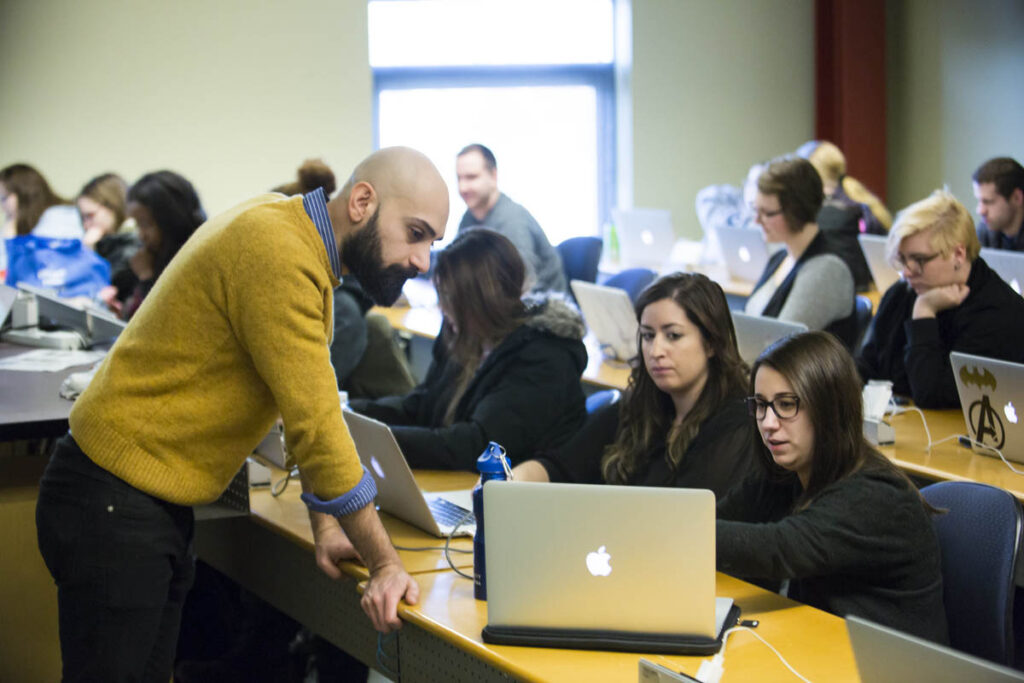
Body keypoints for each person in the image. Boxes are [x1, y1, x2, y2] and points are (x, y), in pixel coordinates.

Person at [35, 146, 450, 682]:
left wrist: (327, 524)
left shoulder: (292, 241)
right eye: (415, 233)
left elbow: (294, 406)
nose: (422, 260)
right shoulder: (280, 252)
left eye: (432, 243)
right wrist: (385, 564)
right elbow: (320, 428)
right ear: (363, 202)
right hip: (114, 500)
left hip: (136, 500)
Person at [718, 331, 949, 644]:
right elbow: (720, 517)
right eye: (760, 405)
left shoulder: (877, 494)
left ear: (829, 408)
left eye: (786, 405)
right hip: (825, 650)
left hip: (889, 669)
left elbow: (779, 549)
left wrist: (676, 529)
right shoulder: (787, 473)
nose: (768, 422)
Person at [349, 228, 587, 470]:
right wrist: (351, 412)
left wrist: (376, 440)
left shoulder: (544, 356)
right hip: (466, 484)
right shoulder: (465, 333)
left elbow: (477, 446)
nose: (442, 307)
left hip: (523, 497)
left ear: (482, 301)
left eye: (449, 297)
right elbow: (422, 405)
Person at [513, 272, 760, 496]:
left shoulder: (737, 424)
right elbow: (560, 466)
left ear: (711, 343)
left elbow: (688, 523)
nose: (655, 350)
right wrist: (509, 484)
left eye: (673, 336)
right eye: (648, 335)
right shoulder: (640, 404)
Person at [856, 190, 1024, 408]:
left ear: (958, 254)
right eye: (903, 259)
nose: (907, 272)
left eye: (919, 259)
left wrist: (924, 313)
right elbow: (867, 365)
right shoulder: (903, 292)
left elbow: (932, 394)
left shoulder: (999, 313)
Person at [744, 156, 857, 346]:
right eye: (756, 210)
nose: (757, 221)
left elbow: (781, 347)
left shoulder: (827, 270)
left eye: (768, 213)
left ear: (796, 210)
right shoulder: (780, 258)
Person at [455, 143, 567, 294]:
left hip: (542, 310)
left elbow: (521, 287)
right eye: (459, 178)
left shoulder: (512, 221)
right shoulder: (469, 218)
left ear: (493, 176)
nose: (462, 187)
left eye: (471, 177)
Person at [120, 170, 206, 319]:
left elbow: (164, 321)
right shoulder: (152, 255)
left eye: (146, 224)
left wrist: (146, 277)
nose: (141, 235)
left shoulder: (195, 260)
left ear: (171, 220)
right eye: (138, 225)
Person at [0, 163, 83, 271]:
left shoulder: (60, 216)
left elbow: (24, 268)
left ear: (25, 193)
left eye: (4, 198)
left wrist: (10, 238)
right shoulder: (19, 224)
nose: (2, 207)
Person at [77, 173, 141, 307]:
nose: (85, 225)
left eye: (90, 216)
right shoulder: (109, 243)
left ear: (113, 207)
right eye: (82, 218)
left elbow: (98, 287)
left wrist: (87, 252)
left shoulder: (133, 245)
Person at [972, 156, 1024, 251]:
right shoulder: (984, 233)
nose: (980, 211)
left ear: (1017, 198)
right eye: (979, 200)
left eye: (988, 201)